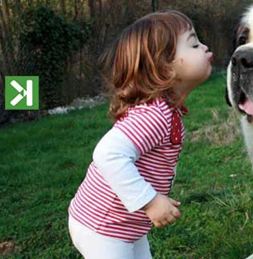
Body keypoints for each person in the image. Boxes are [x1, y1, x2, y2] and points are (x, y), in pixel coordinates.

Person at [68, 10, 213, 259]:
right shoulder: (154, 115)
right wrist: (150, 201)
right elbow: (108, 154)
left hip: (127, 227)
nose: (205, 47)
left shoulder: (167, 110)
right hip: (103, 228)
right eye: (193, 43)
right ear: (164, 68)